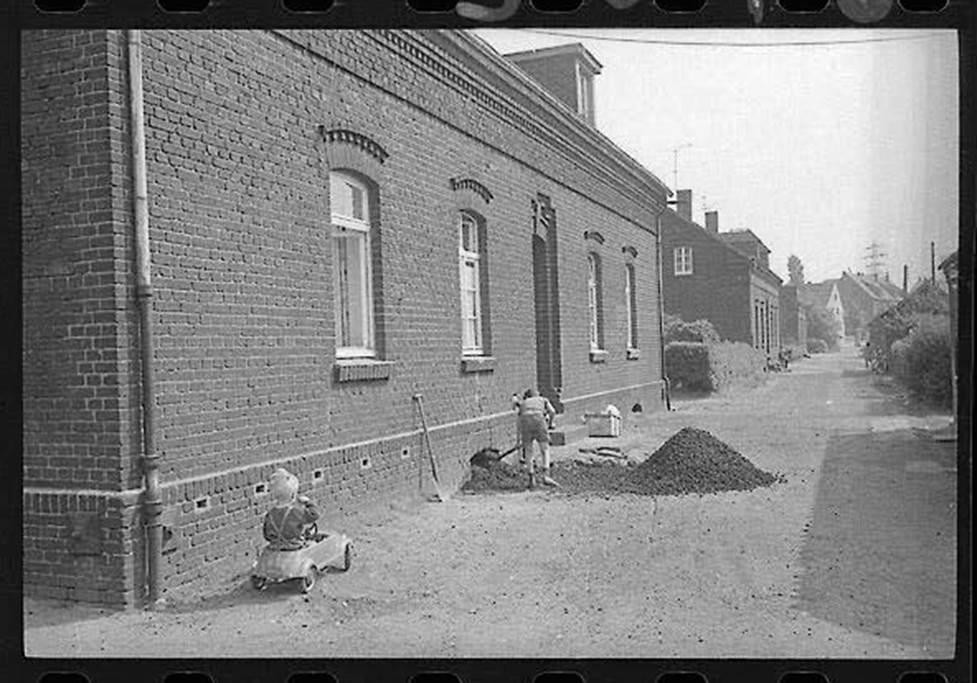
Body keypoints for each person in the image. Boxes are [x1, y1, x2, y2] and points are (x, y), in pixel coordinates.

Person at [263, 468, 320, 550]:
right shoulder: (296, 511)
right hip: (295, 547)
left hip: (275, 548)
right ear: (293, 494)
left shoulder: (269, 515)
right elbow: (315, 514)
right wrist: (308, 502)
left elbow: (267, 536)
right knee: (315, 546)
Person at [514, 388, 559, 488]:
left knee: (529, 450)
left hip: (525, 422)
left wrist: (518, 441)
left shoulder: (523, 404)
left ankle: (531, 479)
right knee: (545, 449)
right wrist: (551, 424)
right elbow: (553, 411)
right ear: (537, 395)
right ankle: (546, 475)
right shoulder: (543, 400)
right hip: (539, 420)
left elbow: (518, 423)